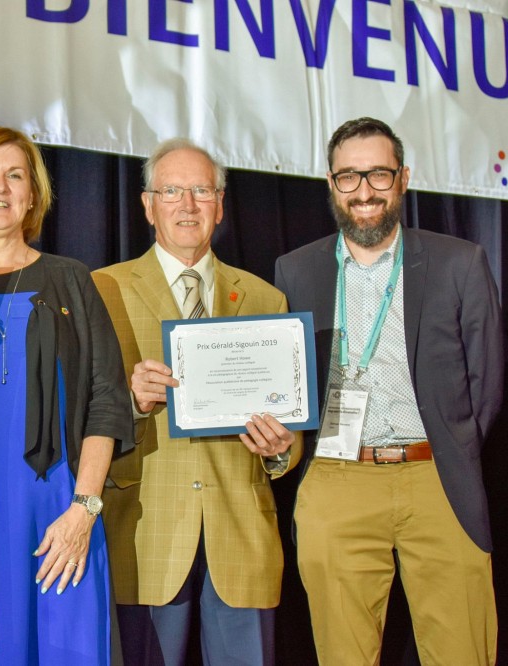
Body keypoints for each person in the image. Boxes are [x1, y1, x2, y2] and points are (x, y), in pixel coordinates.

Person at [274, 117, 504, 665]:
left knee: (463, 652)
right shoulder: (295, 270)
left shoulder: (458, 262)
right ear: (331, 184)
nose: (365, 192)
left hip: (437, 479)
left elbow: (486, 384)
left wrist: (453, 450)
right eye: (349, 177)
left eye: (378, 174)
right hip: (336, 479)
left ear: (403, 179)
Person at [92, 138, 303, 666]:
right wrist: (132, 404)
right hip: (145, 535)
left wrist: (279, 449)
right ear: (147, 204)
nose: (188, 205)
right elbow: (77, 418)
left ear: (221, 204)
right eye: (172, 191)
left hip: (241, 535)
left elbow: (290, 430)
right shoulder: (103, 290)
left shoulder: (265, 299)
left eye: (201, 191)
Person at [0, 126, 134, 665]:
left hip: (59, 517)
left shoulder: (71, 279)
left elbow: (107, 401)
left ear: (32, 195)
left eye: (14, 175)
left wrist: (84, 510)